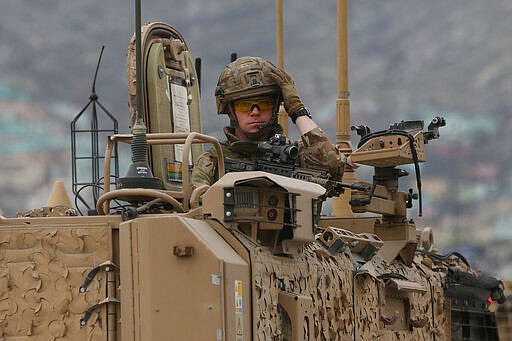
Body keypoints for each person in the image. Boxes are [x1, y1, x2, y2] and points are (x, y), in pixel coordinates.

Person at [191, 56, 345, 187]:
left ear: (275, 108)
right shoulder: (213, 161)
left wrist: (297, 110)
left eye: (264, 104)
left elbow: (332, 163)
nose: (255, 112)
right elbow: (198, 207)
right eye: (245, 106)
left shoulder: (295, 154)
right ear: (230, 111)